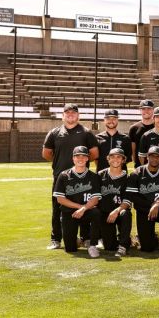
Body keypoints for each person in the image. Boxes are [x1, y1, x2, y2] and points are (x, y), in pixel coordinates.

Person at [42, 103, 99, 250]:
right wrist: (61, 163)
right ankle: (56, 239)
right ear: (63, 115)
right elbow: (47, 153)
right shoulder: (54, 132)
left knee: (84, 208)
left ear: (78, 115)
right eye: (67, 113)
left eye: (73, 113)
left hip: (82, 177)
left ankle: (85, 238)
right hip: (61, 178)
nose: (70, 115)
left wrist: (80, 164)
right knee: (57, 209)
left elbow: (94, 154)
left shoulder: (86, 133)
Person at [125, 146, 159, 256]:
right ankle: (153, 238)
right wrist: (151, 204)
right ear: (147, 157)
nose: (155, 159)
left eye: (158, 157)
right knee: (147, 248)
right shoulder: (136, 173)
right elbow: (132, 196)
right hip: (144, 210)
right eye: (152, 156)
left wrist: (157, 203)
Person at [53, 146, 102, 258]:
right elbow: (60, 199)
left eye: (83, 156)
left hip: (87, 210)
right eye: (77, 156)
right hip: (69, 212)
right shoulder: (64, 175)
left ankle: (92, 245)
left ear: (87, 159)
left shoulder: (93, 176)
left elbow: (95, 199)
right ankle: (77, 239)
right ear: (73, 158)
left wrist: (84, 208)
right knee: (70, 249)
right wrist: (80, 207)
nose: (80, 158)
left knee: (96, 213)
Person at [98, 148, 132, 257]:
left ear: (123, 160)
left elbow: (127, 201)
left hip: (120, 211)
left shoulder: (128, 177)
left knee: (126, 214)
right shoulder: (100, 175)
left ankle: (123, 245)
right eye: (112, 157)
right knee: (109, 247)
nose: (115, 159)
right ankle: (115, 239)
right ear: (108, 159)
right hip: (105, 213)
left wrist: (116, 211)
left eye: (119, 157)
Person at [128, 99, 155, 166]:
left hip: (156, 163)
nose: (146, 111)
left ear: (153, 110)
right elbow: (133, 149)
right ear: (140, 110)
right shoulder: (134, 128)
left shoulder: (158, 126)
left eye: (149, 108)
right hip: (139, 164)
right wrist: (135, 162)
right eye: (143, 109)